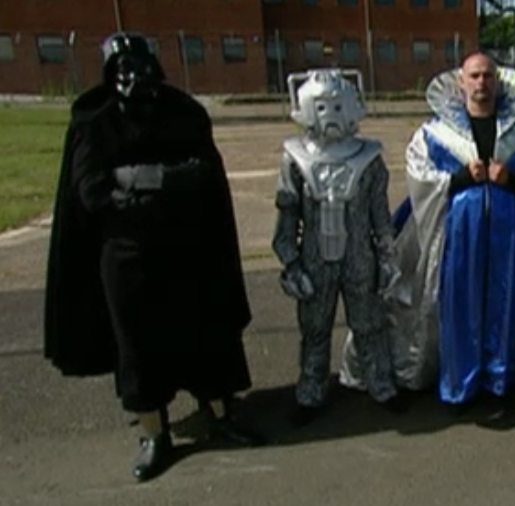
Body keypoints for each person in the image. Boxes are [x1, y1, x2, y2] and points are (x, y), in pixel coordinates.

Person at [43, 32, 261, 482]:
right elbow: (90, 189)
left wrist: (147, 180)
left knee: (207, 334)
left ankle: (221, 413)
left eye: (140, 67)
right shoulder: (95, 121)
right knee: (138, 346)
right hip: (128, 254)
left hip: (188, 248)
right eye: (122, 69)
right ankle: (153, 432)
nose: (133, 77)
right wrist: (137, 190)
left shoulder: (184, 113)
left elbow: (203, 173)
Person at [340, 51, 515, 414]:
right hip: (457, 239)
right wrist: (459, 179)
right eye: (475, 76)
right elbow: (419, 176)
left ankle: (502, 379)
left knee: (508, 303)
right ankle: (461, 384)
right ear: (461, 82)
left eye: (488, 76)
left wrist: (512, 179)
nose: (482, 83)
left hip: (510, 238)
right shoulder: (435, 135)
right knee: (460, 308)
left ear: (499, 83)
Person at [272, 68, 406, 427]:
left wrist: (388, 257)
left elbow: (380, 214)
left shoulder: (369, 157)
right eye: (320, 106)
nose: (329, 115)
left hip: (359, 255)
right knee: (314, 328)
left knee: (369, 325)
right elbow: (287, 216)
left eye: (335, 105)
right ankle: (310, 391)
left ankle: (381, 385)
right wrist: (291, 263)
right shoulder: (295, 158)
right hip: (315, 257)